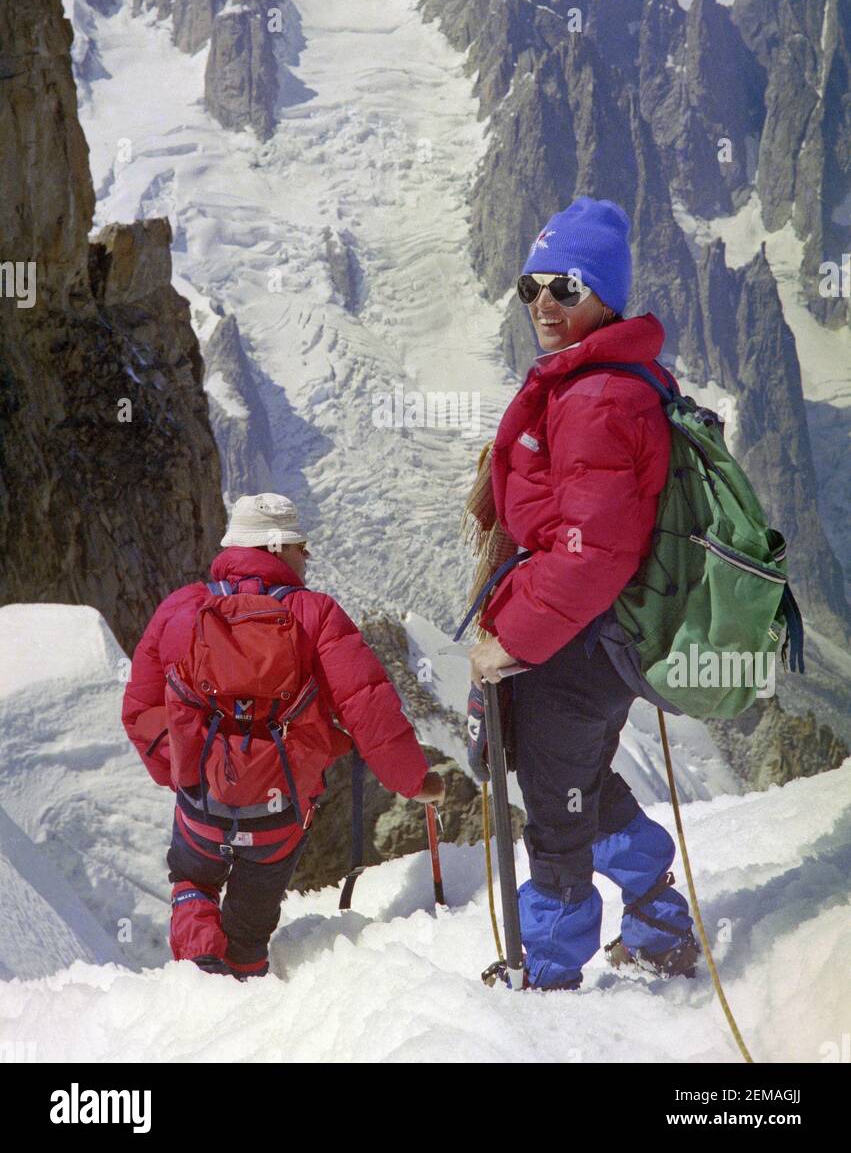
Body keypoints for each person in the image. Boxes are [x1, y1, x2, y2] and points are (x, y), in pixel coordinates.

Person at [464, 196, 698, 991]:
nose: (542, 304)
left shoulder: (600, 398)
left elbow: (590, 554)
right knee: (580, 786)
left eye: (564, 287)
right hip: (589, 643)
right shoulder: (597, 383)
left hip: (576, 643)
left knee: (557, 820)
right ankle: (660, 919)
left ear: (604, 292)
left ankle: (550, 979)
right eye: (530, 285)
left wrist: (510, 643)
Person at [123, 493, 444, 979]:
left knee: (193, 883)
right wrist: (414, 781)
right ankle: (246, 986)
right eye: (300, 545)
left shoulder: (181, 609)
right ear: (276, 549)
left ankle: (195, 988)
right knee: (250, 929)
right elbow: (368, 707)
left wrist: (182, 770)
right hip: (280, 812)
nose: (306, 556)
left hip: (201, 806)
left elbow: (140, 709)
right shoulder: (316, 615)